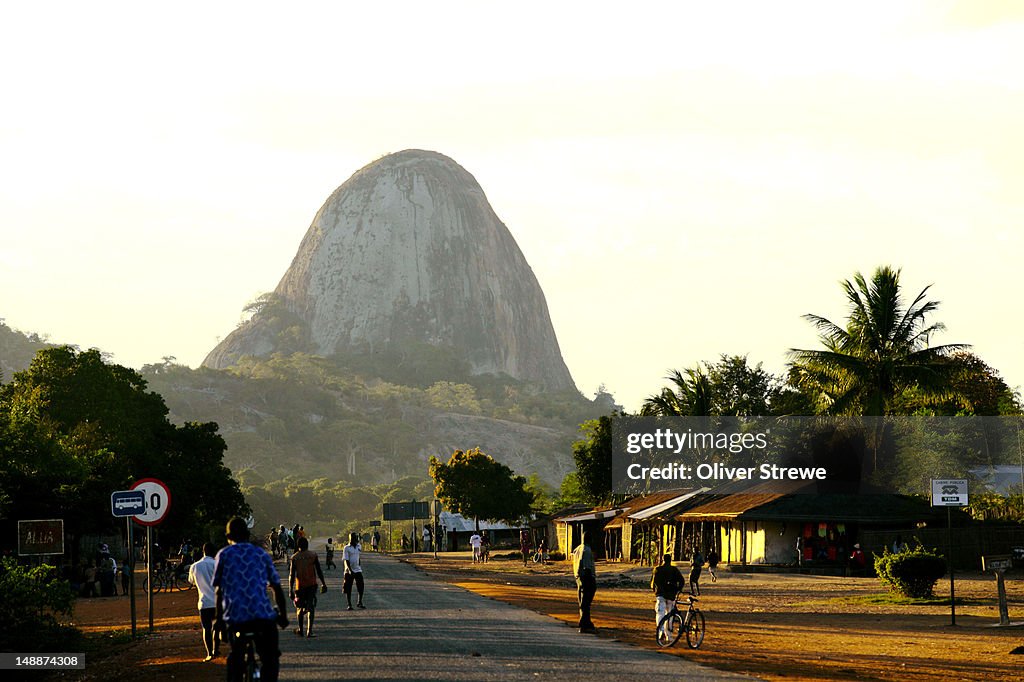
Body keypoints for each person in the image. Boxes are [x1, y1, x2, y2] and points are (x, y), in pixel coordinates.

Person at [213, 517, 289, 682]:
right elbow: (276, 587)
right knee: (270, 657)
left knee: (235, 658)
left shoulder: (224, 555)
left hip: (235, 617)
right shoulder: (261, 554)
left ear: (228, 537)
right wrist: (283, 615)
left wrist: (219, 621)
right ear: (248, 535)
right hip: (262, 616)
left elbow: (219, 591)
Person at [288, 536, 327, 637]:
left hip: (299, 586)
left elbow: (292, 575)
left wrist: (290, 589)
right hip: (311, 585)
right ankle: (309, 631)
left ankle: (301, 629)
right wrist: (323, 583)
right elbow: (319, 570)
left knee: (299, 608)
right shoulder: (313, 555)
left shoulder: (294, 558)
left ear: (298, 545)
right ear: (307, 545)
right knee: (311, 607)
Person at [188, 543, 219, 661]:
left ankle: (209, 653)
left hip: (204, 602)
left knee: (206, 628)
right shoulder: (217, 564)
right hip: (217, 602)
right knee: (217, 627)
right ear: (214, 552)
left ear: (203, 551)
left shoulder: (195, 566)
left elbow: (191, 581)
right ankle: (216, 649)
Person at [651, 554, 685, 637]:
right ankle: (668, 634)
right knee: (670, 615)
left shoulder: (657, 569)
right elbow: (682, 580)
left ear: (663, 560)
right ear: (670, 560)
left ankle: (661, 630)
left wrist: (655, 591)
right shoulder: (674, 570)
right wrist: (678, 590)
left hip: (661, 595)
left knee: (660, 613)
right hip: (671, 595)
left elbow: (653, 583)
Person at [572, 532, 597, 633]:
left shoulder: (577, 549)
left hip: (579, 578)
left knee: (582, 601)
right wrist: (590, 578)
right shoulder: (586, 550)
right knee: (586, 602)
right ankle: (584, 624)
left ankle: (585, 622)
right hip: (586, 577)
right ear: (589, 540)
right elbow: (586, 566)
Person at [343, 532, 366, 610]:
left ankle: (360, 602)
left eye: (356, 538)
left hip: (357, 569)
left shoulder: (359, 546)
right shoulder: (346, 548)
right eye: (354, 538)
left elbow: (358, 556)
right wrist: (350, 570)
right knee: (348, 587)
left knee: (361, 586)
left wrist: (359, 565)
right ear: (350, 539)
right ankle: (349, 604)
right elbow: (346, 560)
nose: (356, 539)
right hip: (349, 570)